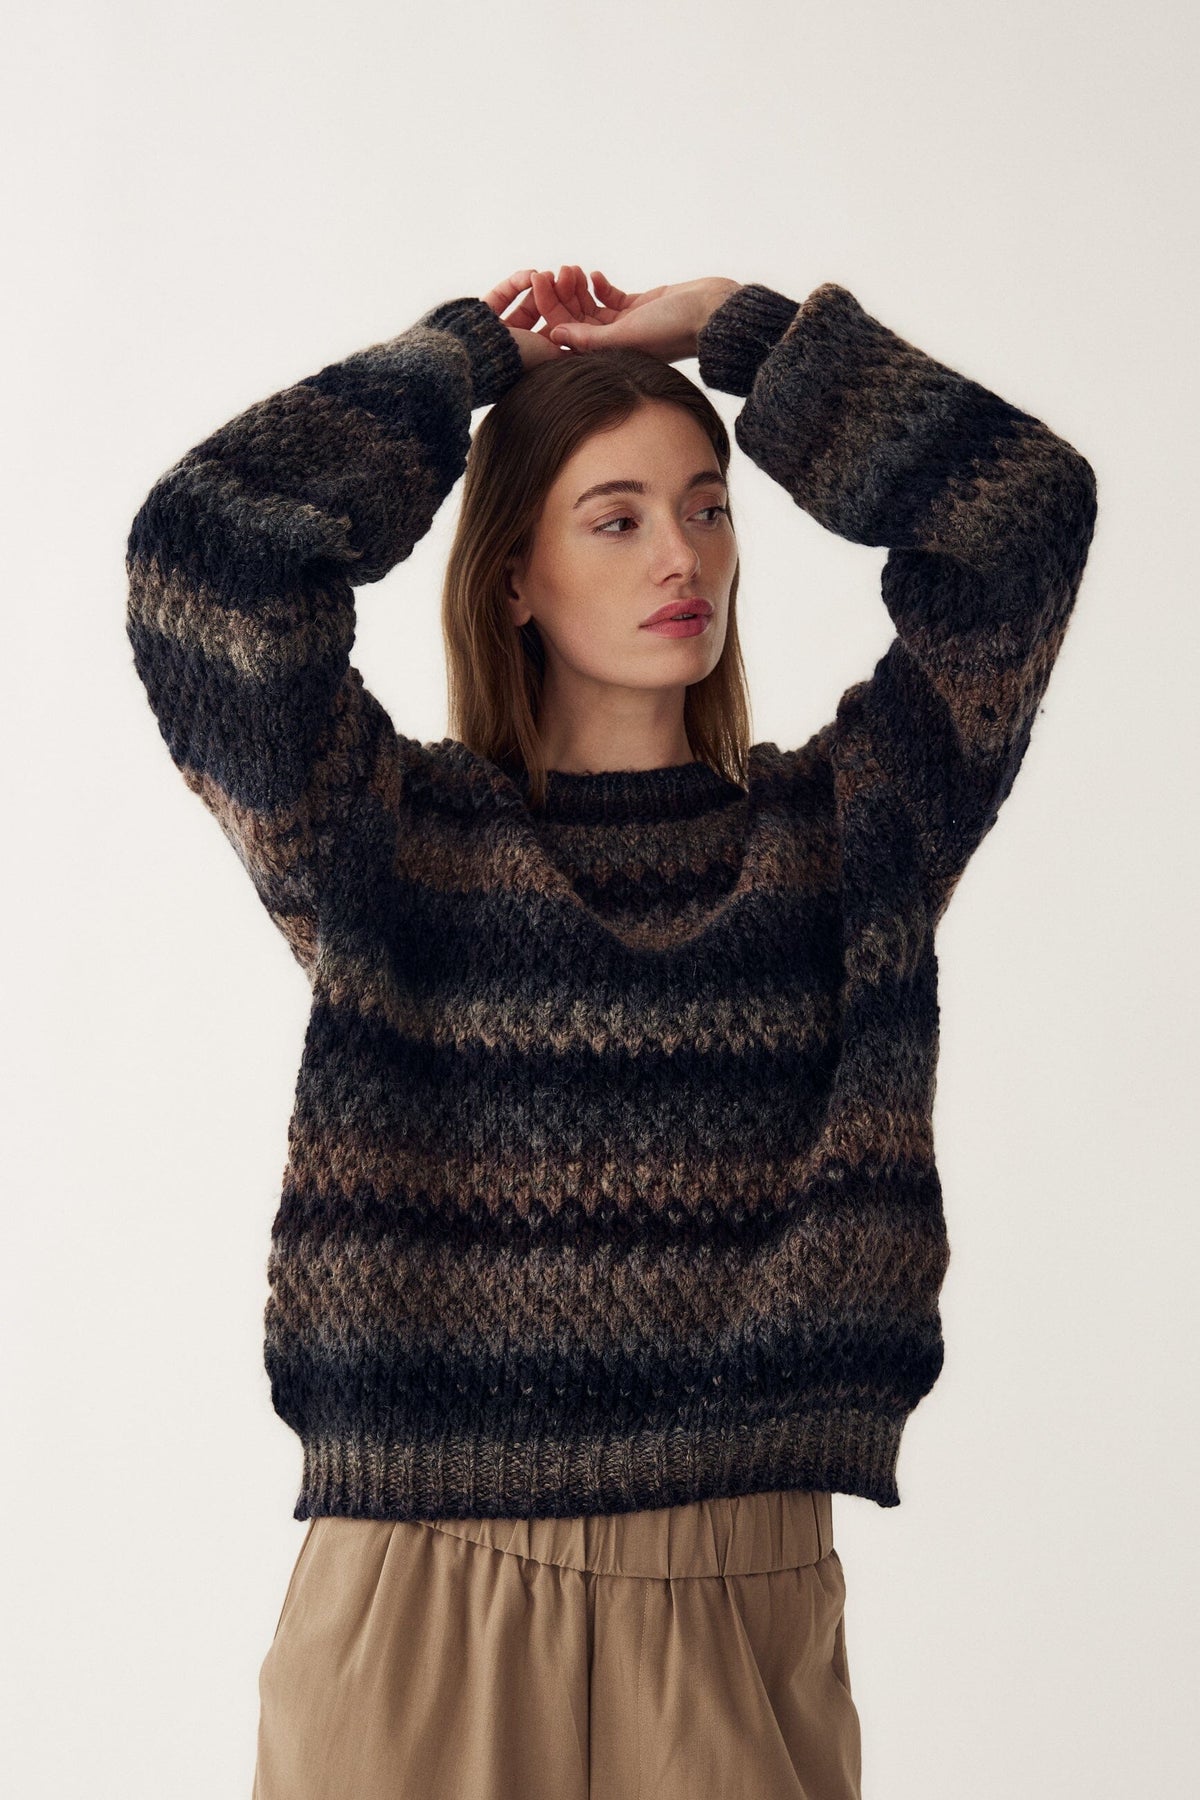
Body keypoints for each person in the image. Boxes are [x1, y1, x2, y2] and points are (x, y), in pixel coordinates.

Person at [125, 265, 1098, 1799]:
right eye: (617, 518)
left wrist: (746, 335)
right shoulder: (388, 843)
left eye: (706, 509)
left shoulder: (853, 838)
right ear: (514, 576)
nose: (682, 555)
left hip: (734, 1601)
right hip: (421, 1593)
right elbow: (212, 557)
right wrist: (458, 364)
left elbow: (1022, 523)